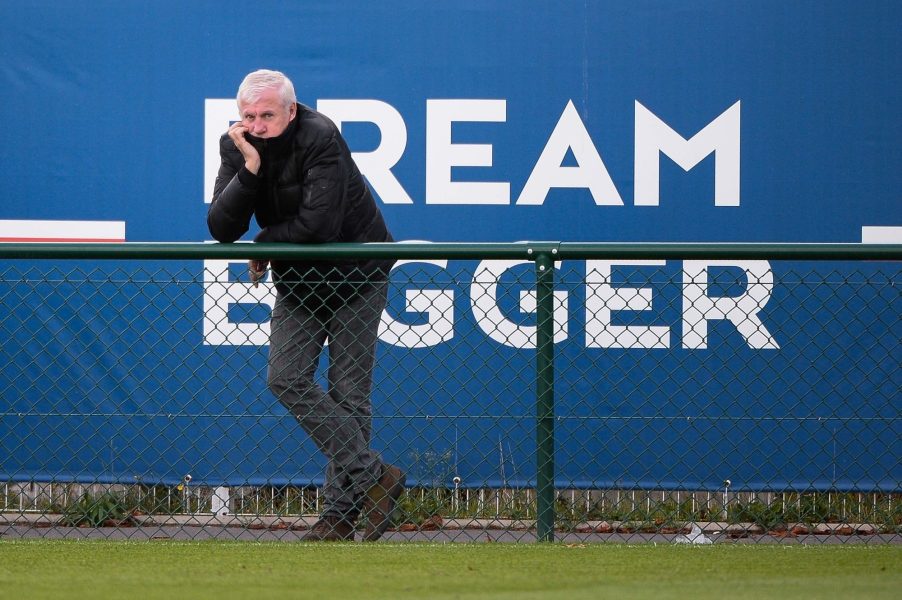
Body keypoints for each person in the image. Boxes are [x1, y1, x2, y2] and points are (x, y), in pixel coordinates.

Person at [207, 69, 404, 541]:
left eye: (267, 115)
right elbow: (220, 227)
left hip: (358, 274)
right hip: (300, 282)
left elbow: (319, 225)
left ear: (291, 111)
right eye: (248, 116)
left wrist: (264, 241)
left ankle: (338, 518)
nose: (257, 125)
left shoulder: (321, 135)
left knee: (348, 394)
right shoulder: (237, 146)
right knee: (285, 377)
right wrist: (250, 169)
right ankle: (375, 475)